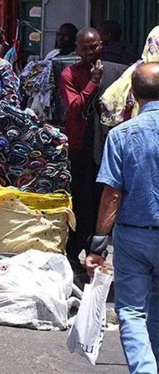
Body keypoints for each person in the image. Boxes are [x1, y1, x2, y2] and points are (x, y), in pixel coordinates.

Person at [85, 61, 159, 373]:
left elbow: (112, 195)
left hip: (134, 235)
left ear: (133, 94)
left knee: (131, 310)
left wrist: (98, 244)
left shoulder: (122, 135)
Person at [59, 27, 107, 269]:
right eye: (85, 48)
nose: (90, 52)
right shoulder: (69, 73)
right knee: (80, 200)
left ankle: (95, 251)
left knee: (101, 199)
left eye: (94, 47)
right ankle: (73, 251)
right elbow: (75, 106)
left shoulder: (114, 71)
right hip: (79, 146)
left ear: (101, 45)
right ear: (77, 49)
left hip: (106, 146)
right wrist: (93, 83)